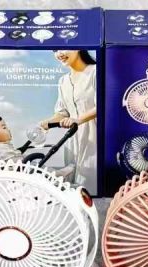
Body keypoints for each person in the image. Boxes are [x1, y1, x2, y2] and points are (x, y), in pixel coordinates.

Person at [39, 50, 97, 190]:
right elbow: (63, 112)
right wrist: (47, 123)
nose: (59, 54)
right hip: (72, 139)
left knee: (90, 182)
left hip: (94, 137)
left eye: (62, 48)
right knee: (71, 182)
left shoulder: (95, 72)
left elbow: (104, 105)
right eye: (54, 50)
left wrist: (78, 120)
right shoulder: (63, 81)